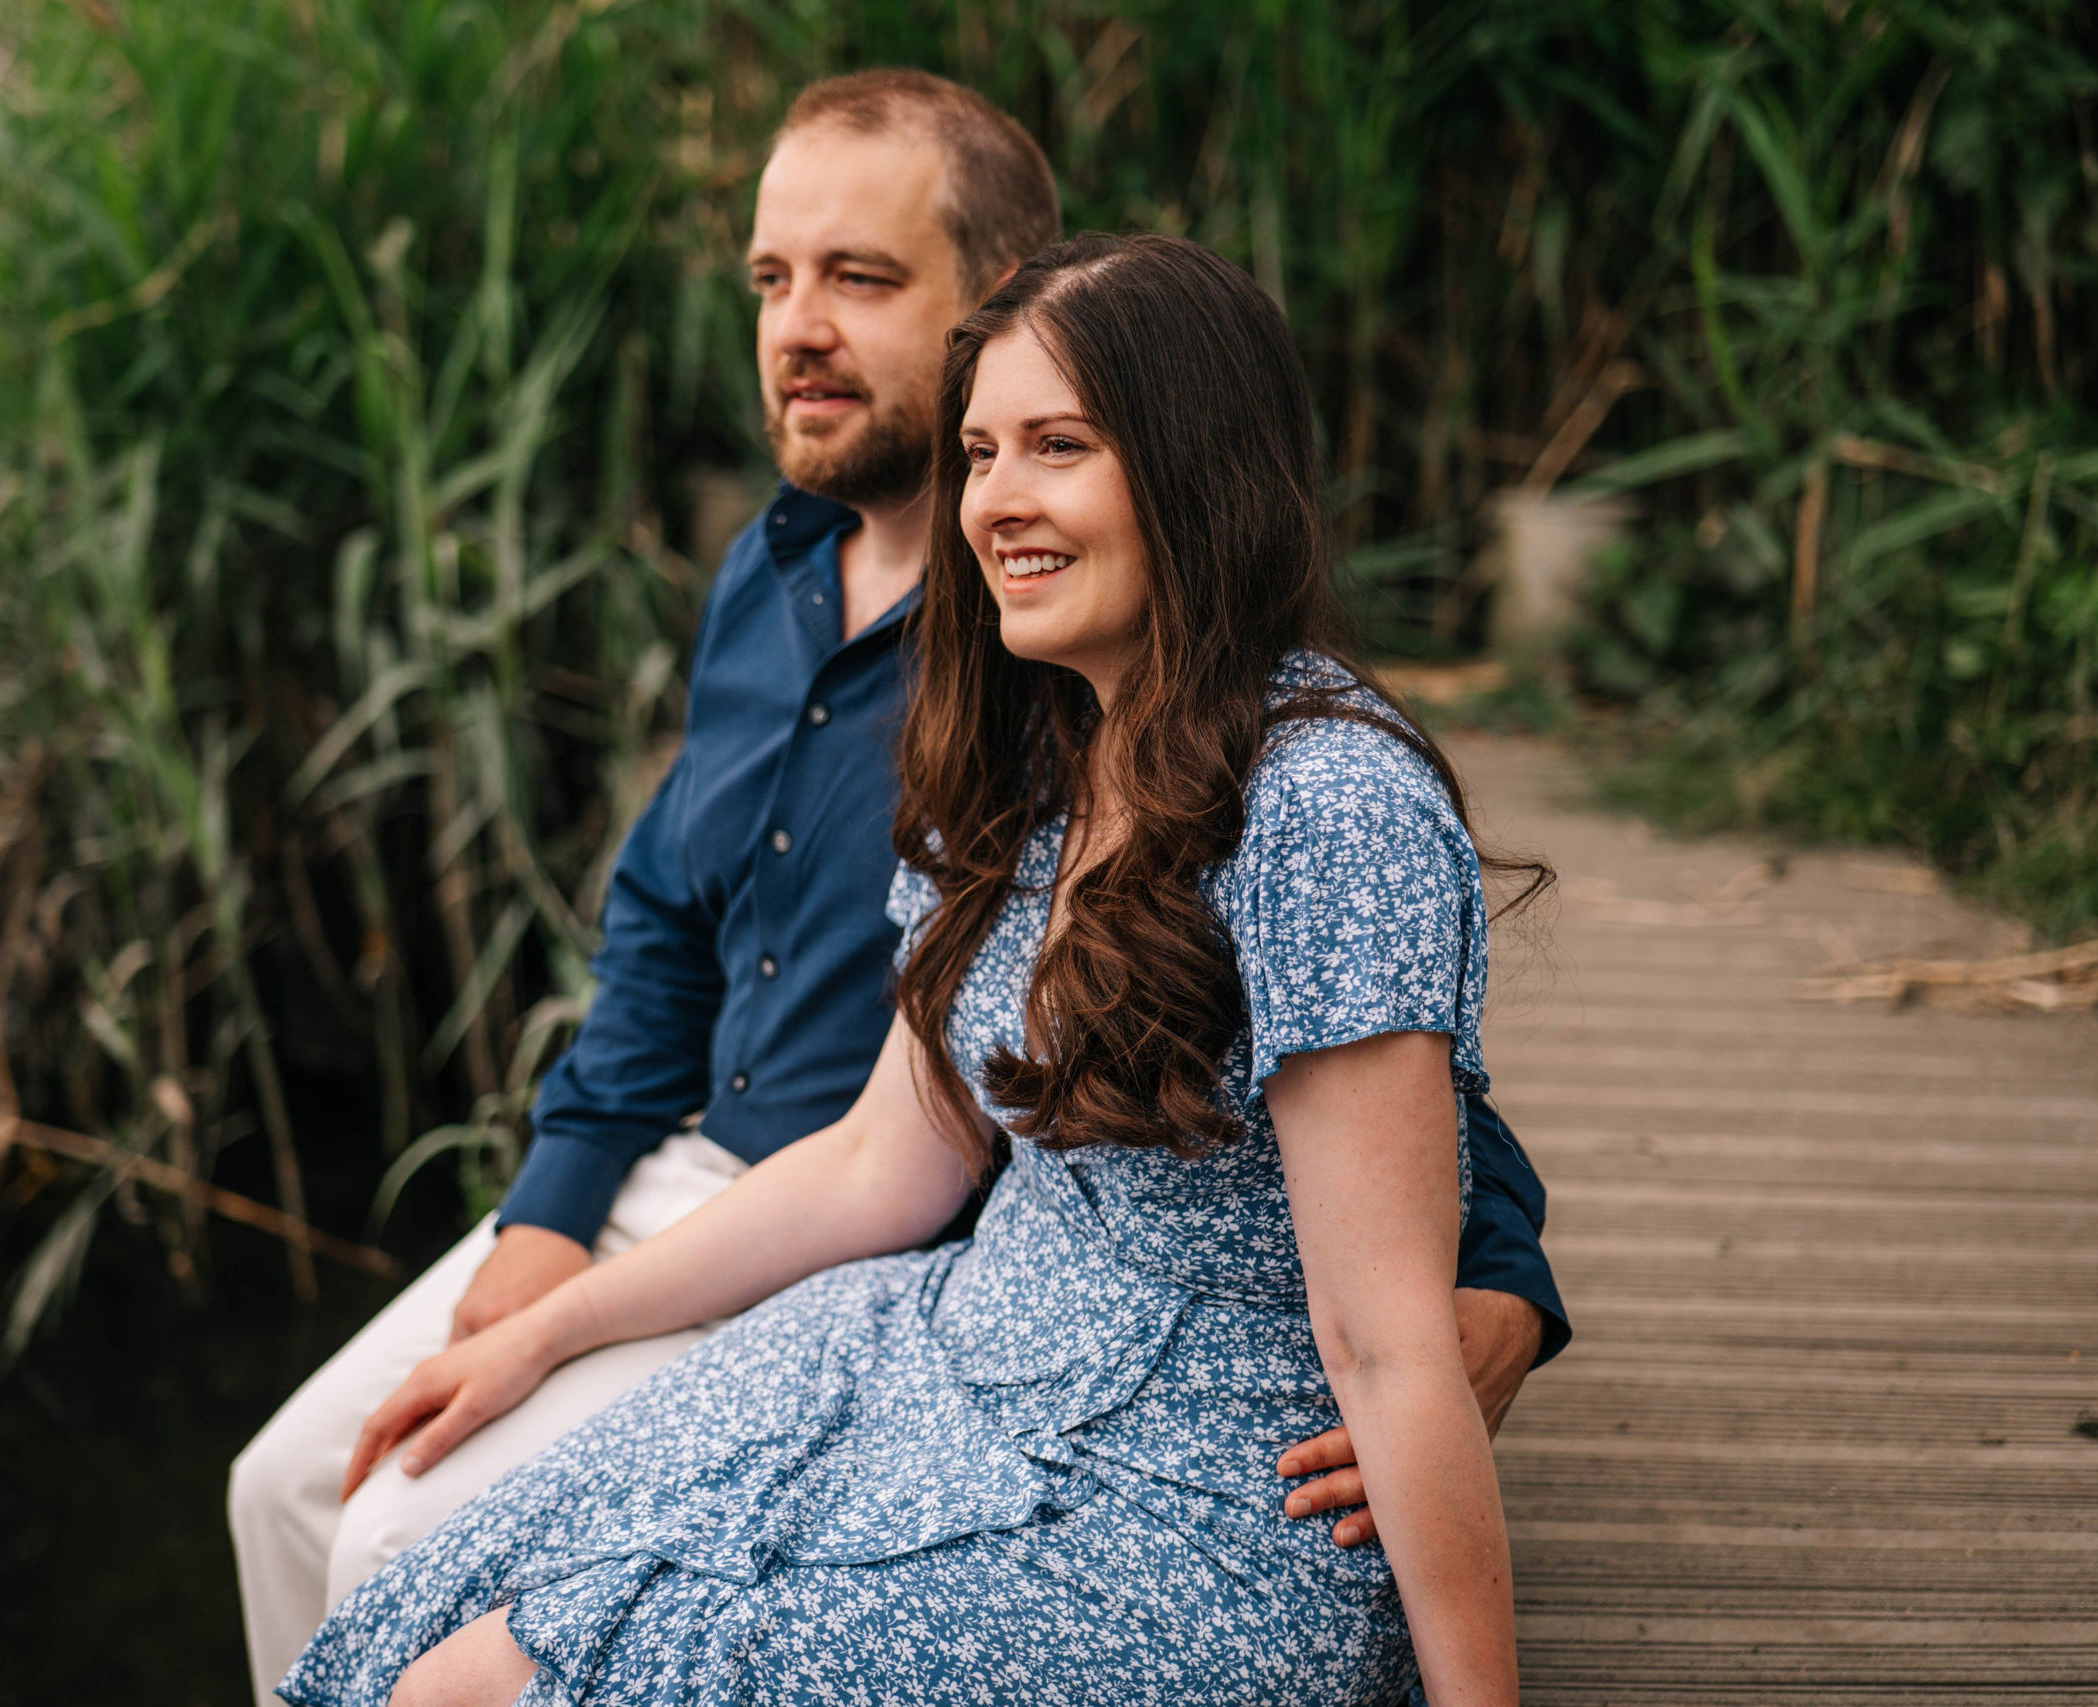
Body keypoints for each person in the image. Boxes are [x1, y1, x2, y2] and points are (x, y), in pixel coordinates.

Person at [228, 71, 1565, 1703]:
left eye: (1058, 449)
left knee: (504, 1677)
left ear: (1199, 476)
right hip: (933, 1341)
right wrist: (547, 1297)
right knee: (419, 1623)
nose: (995, 500)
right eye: (988, 450)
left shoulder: (1324, 801)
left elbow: (1388, 1313)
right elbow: (884, 1153)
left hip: (1182, 1494)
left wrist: (1508, 1315)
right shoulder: (1026, 735)